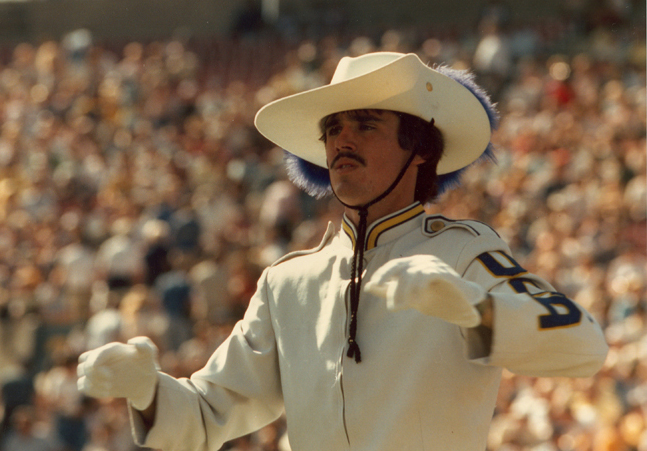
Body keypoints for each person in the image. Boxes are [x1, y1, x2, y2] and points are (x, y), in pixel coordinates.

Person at [77, 52, 609, 451]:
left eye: (365, 124)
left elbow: (583, 343)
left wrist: (475, 309)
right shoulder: (288, 283)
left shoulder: (464, 252)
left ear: (420, 150)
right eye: (332, 128)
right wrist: (146, 390)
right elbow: (207, 414)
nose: (340, 140)